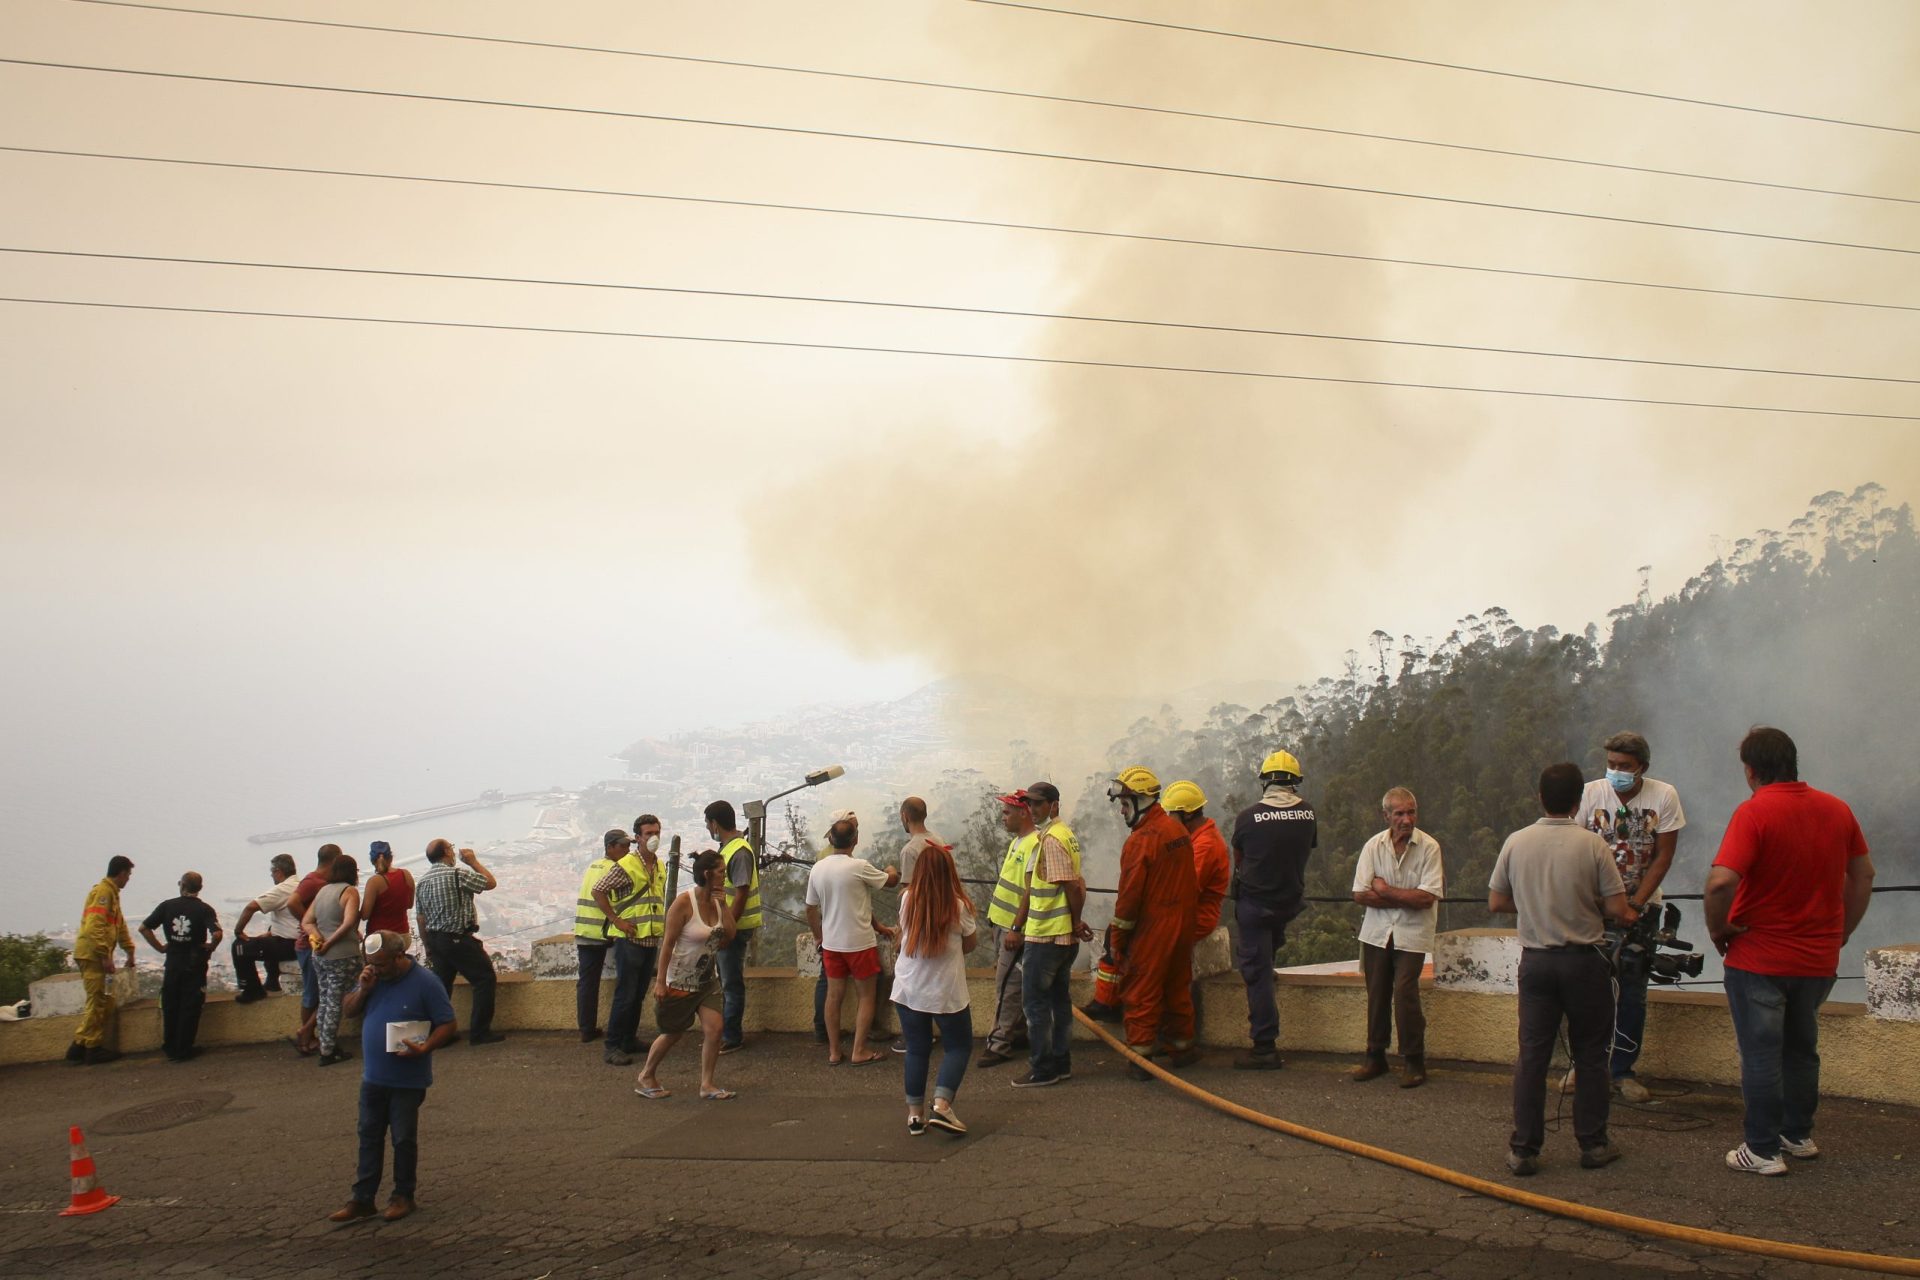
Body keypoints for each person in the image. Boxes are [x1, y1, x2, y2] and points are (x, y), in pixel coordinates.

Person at [1704, 726, 1874, 1176]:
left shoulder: (1755, 812)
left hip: (1759, 958)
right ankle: (1797, 1136)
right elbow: (1864, 876)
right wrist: (1843, 932)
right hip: (1817, 960)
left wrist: (1718, 928)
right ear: (1793, 762)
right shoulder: (1837, 810)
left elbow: (1721, 881)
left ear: (1750, 770)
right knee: (1802, 1051)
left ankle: (1761, 1149)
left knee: (1761, 1053)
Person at [1488, 762, 1630, 1177]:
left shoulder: (1516, 842)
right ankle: (1593, 1144)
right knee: (1590, 1054)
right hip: (1583, 963)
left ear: (1539, 797)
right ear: (1577, 801)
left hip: (1536, 964)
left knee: (1532, 1055)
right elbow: (1617, 909)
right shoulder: (1592, 846)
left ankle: (1524, 1149)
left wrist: (1535, 906)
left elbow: (1497, 902)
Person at [1572, 730, 1686, 1104]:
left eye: (1625, 766)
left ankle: (1622, 1070)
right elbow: (1576, 849)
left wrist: (1634, 904)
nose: (1616, 772)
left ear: (1642, 768)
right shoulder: (1590, 794)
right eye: (1611, 764)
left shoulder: (1663, 795)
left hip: (1642, 910)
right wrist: (1601, 901)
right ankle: (1586, 1063)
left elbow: (1663, 854)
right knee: (1589, 990)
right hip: (1594, 909)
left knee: (1633, 992)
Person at [329, 930, 457, 1224]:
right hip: (373, 1075)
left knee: (402, 1138)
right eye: (370, 964)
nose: (376, 969)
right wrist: (363, 989)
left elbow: (447, 1023)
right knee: (368, 1136)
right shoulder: (373, 979)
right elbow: (348, 1011)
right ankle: (362, 1198)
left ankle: (403, 1196)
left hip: (406, 1078)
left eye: (381, 964)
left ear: (400, 957)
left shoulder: (425, 983)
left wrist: (425, 1047)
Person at [1107, 767, 1200, 1077]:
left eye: (1125, 803)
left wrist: (1118, 940)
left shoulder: (1140, 841)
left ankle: (1141, 1058)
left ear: (1140, 801)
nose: (1121, 810)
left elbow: (1128, 901)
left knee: (1141, 990)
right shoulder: (1178, 831)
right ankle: (1182, 1048)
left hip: (1153, 928)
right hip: (1182, 923)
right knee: (1177, 987)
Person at [1350, 788, 1444, 1088]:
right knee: (1377, 993)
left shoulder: (1429, 848)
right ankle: (1375, 1055)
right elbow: (1360, 894)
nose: (1407, 819)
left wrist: (1386, 890)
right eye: (1400, 813)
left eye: (1411, 812)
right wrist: (1405, 897)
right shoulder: (1373, 847)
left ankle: (1414, 1059)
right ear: (1386, 816)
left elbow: (1426, 898)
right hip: (1377, 934)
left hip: (1412, 935)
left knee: (1405, 992)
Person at [1229, 751, 1317, 1070]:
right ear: (1295, 782)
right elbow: (1305, 850)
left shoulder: (1248, 817)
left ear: (1265, 781)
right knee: (1269, 956)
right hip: (1288, 901)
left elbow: (1239, 857)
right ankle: (1270, 966)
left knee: (1257, 973)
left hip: (1255, 904)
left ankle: (1264, 1047)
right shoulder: (1308, 813)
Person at [634, 851, 738, 1101]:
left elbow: (730, 935)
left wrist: (724, 905)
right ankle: (647, 1074)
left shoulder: (717, 901)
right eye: (721, 872)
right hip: (680, 980)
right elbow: (667, 944)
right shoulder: (683, 903)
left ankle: (707, 1084)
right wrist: (660, 982)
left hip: (706, 980)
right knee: (673, 1032)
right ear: (707, 874)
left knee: (715, 1030)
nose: (725, 876)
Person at [1010, 780, 1093, 1088]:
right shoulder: (1064, 835)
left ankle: (1043, 1068)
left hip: (1047, 936)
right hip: (1060, 938)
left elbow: (1071, 885)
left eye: (1037, 803)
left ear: (1054, 805)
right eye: (1028, 803)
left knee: (1035, 1005)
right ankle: (1061, 1063)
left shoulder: (1052, 840)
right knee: (1059, 1001)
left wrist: (1075, 921)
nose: (1031, 808)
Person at [894, 841, 978, 1135]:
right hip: (945, 991)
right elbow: (970, 943)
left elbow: (904, 933)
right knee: (959, 1046)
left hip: (908, 988)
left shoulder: (907, 899)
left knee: (917, 1049)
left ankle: (915, 1116)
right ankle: (942, 1106)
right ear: (949, 872)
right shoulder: (958, 906)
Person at [805, 811, 900, 1066]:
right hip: (859, 943)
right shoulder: (859, 867)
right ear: (855, 840)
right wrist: (891, 869)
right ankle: (859, 1050)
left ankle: (835, 1052)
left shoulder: (818, 868)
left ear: (831, 839)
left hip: (831, 944)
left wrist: (818, 936)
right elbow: (890, 881)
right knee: (866, 996)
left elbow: (810, 908)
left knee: (833, 996)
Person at [591, 820, 668, 1066]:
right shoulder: (627, 865)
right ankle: (612, 1046)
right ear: (638, 837)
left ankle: (628, 1039)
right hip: (629, 940)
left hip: (649, 939)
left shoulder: (659, 865)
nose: (653, 837)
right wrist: (616, 920)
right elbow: (598, 890)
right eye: (649, 833)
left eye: (656, 832)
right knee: (625, 995)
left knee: (637, 995)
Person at [415, 839, 505, 1046]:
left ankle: (440, 1033)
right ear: (447, 852)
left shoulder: (423, 882)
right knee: (484, 979)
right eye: (451, 848)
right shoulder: (457, 874)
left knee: (441, 986)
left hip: (436, 940)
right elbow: (490, 883)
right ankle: (479, 1032)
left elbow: (420, 918)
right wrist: (473, 861)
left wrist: (427, 945)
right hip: (457, 938)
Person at [1163, 781, 1230, 1041]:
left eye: (1172, 813)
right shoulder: (1194, 838)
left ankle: (1175, 1034)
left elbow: (1186, 888)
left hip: (1196, 918)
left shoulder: (1205, 845)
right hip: (1184, 914)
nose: (1169, 819)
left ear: (1187, 814)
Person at [975, 791, 1037, 1068]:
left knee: (1007, 985)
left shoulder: (1033, 843)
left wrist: (1016, 928)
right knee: (1015, 982)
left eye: (1007, 812)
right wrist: (994, 922)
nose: (1003, 817)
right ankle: (1019, 1034)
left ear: (1024, 812)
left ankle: (999, 1043)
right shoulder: (1017, 842)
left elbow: (1029, 892)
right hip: (1002, 925)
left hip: (1014, 928)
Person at [138, 871, 223, 1063]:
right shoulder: (205, 909)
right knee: (190, 1005)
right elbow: (217, 934)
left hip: (173, 961)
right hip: (194, 963)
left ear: (181, 885)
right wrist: (210, 948)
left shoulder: (167, 906)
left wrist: (160, 947)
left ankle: (169, 1046)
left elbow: (144, 928)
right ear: (199, 889)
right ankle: (184, 1048)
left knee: (171, 1004)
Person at [66, 855, 136, 1066]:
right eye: (128, 875)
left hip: (95, 954)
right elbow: (94, 927)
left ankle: (80, 1045)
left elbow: (119, 925)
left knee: (104, 1001)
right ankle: (89, 1048)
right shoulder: (103, 893)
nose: (129, 880)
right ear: (122, 873)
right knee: (97, 1002)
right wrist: (105, 954)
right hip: (92, 955)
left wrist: (129, 950)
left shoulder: (112, 894)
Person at [705, 800, 759, 1054]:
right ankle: (723, 1033)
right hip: (729, 924)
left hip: (736, 926)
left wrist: (729, 928)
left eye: (708, 823)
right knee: (726, 980)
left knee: (731, 982)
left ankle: (731, 1036)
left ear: (715, 823)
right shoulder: (729, 849)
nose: (708, 828)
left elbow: (741, 893)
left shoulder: (738, 851)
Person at [303, 854, 363, 1067]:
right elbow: (348, 923)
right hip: (343, 955)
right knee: (340, 1000)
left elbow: (307, 921)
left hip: (319, 957)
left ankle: (324, 1044)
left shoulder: (322, 891)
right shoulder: (349, 892)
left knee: (326, 999)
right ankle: (328, 1050)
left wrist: (318, 938)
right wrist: (330, 942)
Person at [570, 833, 624, 1044]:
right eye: (623, 846)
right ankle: (617, 1031)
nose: (627, 850)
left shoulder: (594, 866)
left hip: (584, 930)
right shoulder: (614, 869)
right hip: (602, 931)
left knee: (587, 983)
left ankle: (586, 1028)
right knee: (624, 980)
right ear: (610, 847)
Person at [291, 845, 342, 1056]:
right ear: (333, 861)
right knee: (313, 994)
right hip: (309, 945)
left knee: (324, 993)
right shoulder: (313, 882)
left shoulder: (324, 883)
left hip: (319, 945)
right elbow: (292, 902)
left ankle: (310, 1033)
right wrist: (310, 924)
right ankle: (307, 1036)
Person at [232, 853, 302, 1003]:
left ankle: (251, 990)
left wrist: (238, 931)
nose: (272, 876)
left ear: (278, 871)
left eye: (272, 872)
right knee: (268, 940)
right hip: (297, 941)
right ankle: (272, 982)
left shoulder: (284, 889)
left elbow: (251, 907)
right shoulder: (300, 884)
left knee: (239, 947)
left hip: (289, 944)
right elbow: (290, 921)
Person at [359, 841, 415, 940]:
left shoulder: (374, 881)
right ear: (391, 857)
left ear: (372, 861)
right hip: (403, 935)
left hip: (380, 939)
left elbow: (365, 915)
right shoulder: (406, 874)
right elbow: (409, 905)